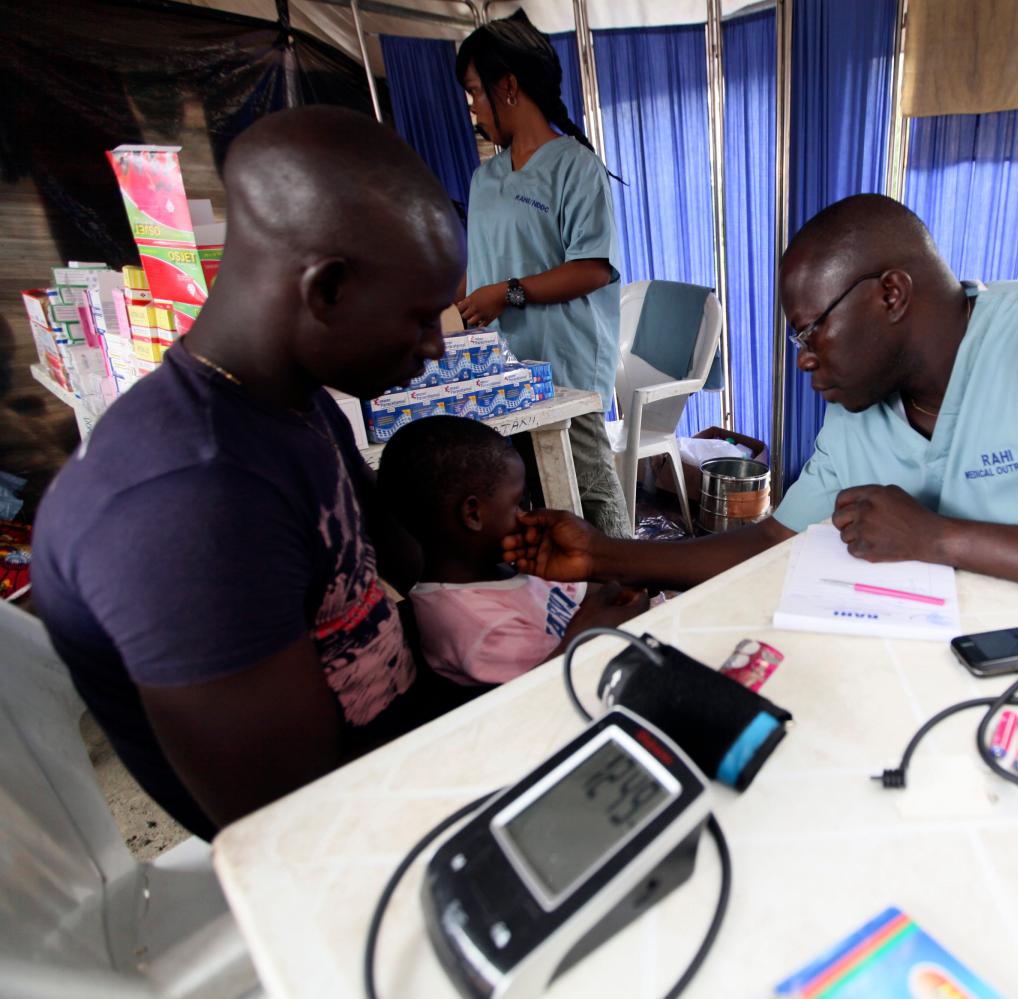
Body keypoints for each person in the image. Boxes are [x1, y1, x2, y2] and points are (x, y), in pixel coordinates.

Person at [31, 107, 470, 840]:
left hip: (405, 756)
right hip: (359, 840)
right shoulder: (182, 502)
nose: (436, 348)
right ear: (325, 290)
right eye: (422, 318)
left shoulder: (290, 399)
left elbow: (400, 559)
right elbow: (300, 831)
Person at [505, 194, 1018, 611]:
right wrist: (608, 552)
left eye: (809, 330)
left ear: (891, 292)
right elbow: (774, 541)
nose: (801, 358)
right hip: (995, 654)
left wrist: (937, 538)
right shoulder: (862, 407)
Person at [453, 12, 632, 539]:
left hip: (566, 362)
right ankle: (566, 597)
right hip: (502, 365)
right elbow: (483, 262)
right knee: (530, 491)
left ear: (507, 86)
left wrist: (505, 294)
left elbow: (593, 268)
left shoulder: (574, 167)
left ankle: (629, 588)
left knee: (588, 487)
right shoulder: (485, 177)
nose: (473, 111)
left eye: (475, 93)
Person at [376, 415, 647, 686]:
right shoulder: (472, 626)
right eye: (516, 503)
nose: (525, 515)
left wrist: (615, 590)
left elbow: (597, 589)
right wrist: (594, 628)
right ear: (473, 514)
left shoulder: (514, 567)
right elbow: (544, 689)